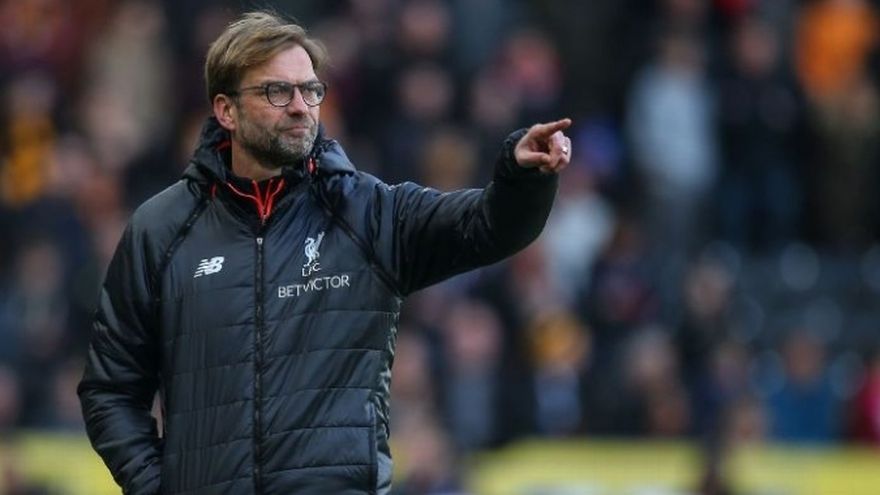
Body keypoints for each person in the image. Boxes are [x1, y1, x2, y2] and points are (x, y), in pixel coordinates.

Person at [76, 10, 572, 495]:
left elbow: (490, 226)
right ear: (226, 110)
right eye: (277, 91)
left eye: (310, 90)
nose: (300, 106)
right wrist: (155, 485)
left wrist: (522, 179)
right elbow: (110, 389)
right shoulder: (160, 229)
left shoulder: (368, 213)